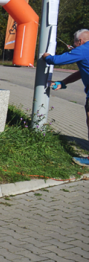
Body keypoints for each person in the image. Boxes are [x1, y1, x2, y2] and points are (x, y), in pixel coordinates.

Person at [43, 28, 89, 166]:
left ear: (79, 41)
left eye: (74, 44)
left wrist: (46, 56)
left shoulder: (83, 49)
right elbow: (82, 72)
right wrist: (63, 82)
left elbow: (57, 60)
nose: (73, 46)